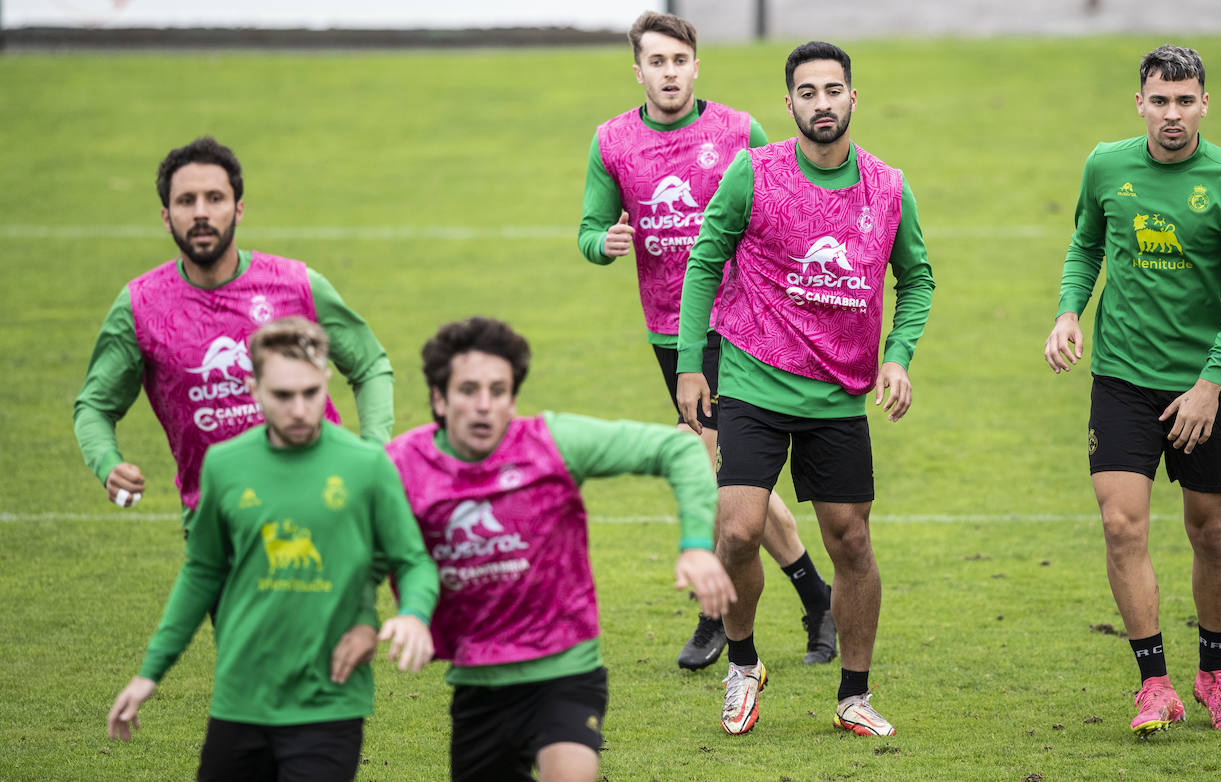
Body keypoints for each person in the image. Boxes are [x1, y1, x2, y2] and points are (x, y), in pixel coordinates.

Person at [676, 41, 935, 737]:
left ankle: (853, 695)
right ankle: (743, 664)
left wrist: (899, 357)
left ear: (854, 98)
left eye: (834, 90)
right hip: (754, 384)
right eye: (808, 92)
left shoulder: (887, 185)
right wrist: (690, 365)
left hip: (837, 397)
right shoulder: (752, 174)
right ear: (789, 104)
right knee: (737, 530)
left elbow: (918, 279)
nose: (823, 103)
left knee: (850, 543)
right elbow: (704, 259)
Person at [578, 10, 836, 671]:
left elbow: (779, 205)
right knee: (730, 478)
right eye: (656, 63)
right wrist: (599, 244)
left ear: (697, 66)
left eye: (679, 61)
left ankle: (715, 614)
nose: (669, 73)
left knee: (725, 478)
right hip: (668, 333)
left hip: (738, 325)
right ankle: (816, 597)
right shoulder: (612, 142)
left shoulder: (738, 130)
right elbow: (587, 227)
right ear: (638, 71)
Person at [74, 136, 393, 661]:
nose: (201, 213)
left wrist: (374, 447)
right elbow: (95, 405)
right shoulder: (141, 306)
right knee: (255, 667)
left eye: (214, 199)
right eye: (186, 201)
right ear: (165, 215)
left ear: (238, 208)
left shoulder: (296, 285)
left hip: (320, 504)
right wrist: (107, 463)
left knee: (316, 666)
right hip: (221, 523)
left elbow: (370, 364)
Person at [386, 317, 735, 781]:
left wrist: (696, 545)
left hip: (564, 666)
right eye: (468, 390)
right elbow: (374, 548)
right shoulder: (402, 465)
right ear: (438, 397)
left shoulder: (550, 443)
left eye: (499, 390)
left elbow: (679, 451)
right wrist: (405, 613)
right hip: (477, 680)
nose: (484, 406)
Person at [106, 317, 439, 781]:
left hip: (330, 701)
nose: (300, 409)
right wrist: (150, 673)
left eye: (311, 393)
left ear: (326, 384)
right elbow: (202, 572)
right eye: (283, 395)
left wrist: (413, 614)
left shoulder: (367, 466)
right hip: (241, 700)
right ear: (253, 389)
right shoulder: (224, 465)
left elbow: (412, 560)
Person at [1043, 45, 1221, 737]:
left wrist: (1210, 383)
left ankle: (1214, 675)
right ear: (1139, 102)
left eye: (1185, 100)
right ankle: (1155, 685)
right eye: (1160, 100)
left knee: (1212, 530)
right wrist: (1067, 310)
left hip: (1204, 386)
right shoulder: (1107, 164)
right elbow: (1086, 245)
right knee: (1120, 525)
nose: (1173, 114)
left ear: (1205, 103)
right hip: (1122, 378)